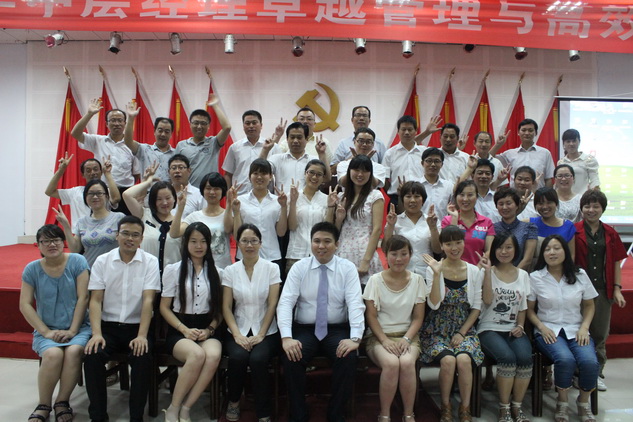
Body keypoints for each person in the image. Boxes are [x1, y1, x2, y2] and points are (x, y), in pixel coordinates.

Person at [277, 222, 365, 422]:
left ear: (337, 244)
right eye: (316, 241)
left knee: (348, 357)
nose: (321, 246)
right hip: (305, 329)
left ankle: (336, 414)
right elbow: (285, 303)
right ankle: (298, 415)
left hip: (336, 329)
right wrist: (287, 337)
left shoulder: (347, 268)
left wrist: (355, 338)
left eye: (327, 241)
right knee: (291, 357)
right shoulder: (299, 267)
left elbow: (355, 304)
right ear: (311, 243)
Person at [84, 215, 161, 422]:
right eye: (125, 233)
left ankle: (136, 417)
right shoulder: (102, 261)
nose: (130, 238)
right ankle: (98, 416)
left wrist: (142, 336)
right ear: (117, 235)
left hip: (137, 327)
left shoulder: (150, 262)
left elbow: (148, 300)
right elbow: (95, 300)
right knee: (92, 356)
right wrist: (96, 333)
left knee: (142, 358)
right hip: (108, 328)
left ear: (141, 239)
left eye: (135, 235)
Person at [20, 225, 91, 422]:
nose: (52, 244)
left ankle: (62, 402)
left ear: (63, 242)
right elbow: (24, 304)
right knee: (53, 354)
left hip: (79, 327)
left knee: (74, 351)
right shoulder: (32, 269)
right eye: (46, 241)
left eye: (56, 240)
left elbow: (84, 297)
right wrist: (46, 332)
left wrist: (73, 330)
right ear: (39, 245)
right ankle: (44, 404)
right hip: (47, 329)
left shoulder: (77, 261)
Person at [527, 235, 599, 422]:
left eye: (557, 248)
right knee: (565, 359)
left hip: (576, 329)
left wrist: (584, 327)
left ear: (565, 251)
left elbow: (589, 305)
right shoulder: (536, 277)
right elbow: (529, 310)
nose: (552, 252)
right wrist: (541, 327)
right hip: (548, 330)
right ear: (543, 254)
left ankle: (583, 402)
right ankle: (562, 401)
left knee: (589, 362)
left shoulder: (580, 275)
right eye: (547, 249)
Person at [159, 222, 224, 422]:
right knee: (196, 355)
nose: (199, 246)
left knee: (212, 355)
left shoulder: (218, 272)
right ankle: (173, 407)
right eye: (194, 241)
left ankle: (186, 407)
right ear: (185, 243)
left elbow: (220, 311)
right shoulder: (173, 270)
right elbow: (164, 308)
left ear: (209, 244)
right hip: (180, 329)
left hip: (207, 328)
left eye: (203, 241)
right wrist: (184, 330)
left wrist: (210, 330)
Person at [420, 225, 485, 422]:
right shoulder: (433, 269)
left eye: (458, 242)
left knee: (464, 360)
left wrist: (462, 332)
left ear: (464, 243)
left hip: (464, 328)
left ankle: (465, 408)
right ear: (441, 246)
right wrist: (437, 273)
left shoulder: (474, 271)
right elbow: (433, 304)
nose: (454, 247)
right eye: (448, 244)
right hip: (437, 328)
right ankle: (446, 406)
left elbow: (476, 307)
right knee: (448, 361)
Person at [363, 235, 427, 422]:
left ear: (410, 255)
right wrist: (384, 340)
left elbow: (418, 317)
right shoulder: (375, 280)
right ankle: (385, 415)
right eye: (394, 254)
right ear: (385, 255)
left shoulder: (417, 280)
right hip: (379, 336)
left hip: (408, 336)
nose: (399, 259)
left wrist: (407, 339)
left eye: (403, 254)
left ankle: (408, 414)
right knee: (391, 364)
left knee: (406, 363)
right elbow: (371, 316)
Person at [222, 224, 281, 422]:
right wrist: (237, 335)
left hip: (267, 331)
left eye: (254, 241)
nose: (249, 245)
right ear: (238, 244)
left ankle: (263, 411)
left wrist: (261, 334)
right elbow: (226, 307)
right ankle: (234, 401)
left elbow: (272, 304)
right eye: (245, 241)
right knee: (238, 357)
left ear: (260, 243)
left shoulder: (272, 268)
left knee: (258, 359)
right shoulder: (230, 270)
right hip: (237, 328)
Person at [574, 190, 627, 391]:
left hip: (603, 290)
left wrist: (617, 288)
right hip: (578, 291)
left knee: (599, 333)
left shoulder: (611, 233)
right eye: (587, 206)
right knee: (578, 331)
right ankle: (577, 372)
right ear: (582, 208)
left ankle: (596, 373)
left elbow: (616, 262)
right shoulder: (574, 230)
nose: (591, 210)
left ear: (602, 209)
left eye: (596, 206)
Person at [477, 232, 532, 422]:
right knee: (507, 358)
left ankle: (517, 406)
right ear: (493, 250)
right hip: (488, 328)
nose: (504, 251)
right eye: (500, 247)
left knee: (525, 358)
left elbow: (523, 306)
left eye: (509, 247)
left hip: (513, 328)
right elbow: (487, 300)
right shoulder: (487, 271)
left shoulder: (523, 275)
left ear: (516, 250)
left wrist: (521, 326)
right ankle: (504, 408)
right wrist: (486, 272)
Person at [71, 99, 139, 215]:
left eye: (120, 120)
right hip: (103, 192)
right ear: (107, 124)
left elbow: (136, 174)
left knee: (126, 224)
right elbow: (75, 133)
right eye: (112, 120)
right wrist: (89, 114)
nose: (116, 123)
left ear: (125, 123)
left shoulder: (133, 145)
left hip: (126, 194)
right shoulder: (98, 141)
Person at [333, 155, 385, 285]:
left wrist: (366, 261)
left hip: (365, 252)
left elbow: (377, 229)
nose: (360, 174)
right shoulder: (341, 197)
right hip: (343, 252)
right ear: (349, 171)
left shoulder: (375, 196)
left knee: (366, 292)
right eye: (356, 170)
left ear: (371, 173)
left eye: (365, 170)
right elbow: (335, 230)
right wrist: (338, 219)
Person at [122, 166, 181, 273]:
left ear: (174, 199)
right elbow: (127, 195)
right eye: (159, 199)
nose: (164, 203)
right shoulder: (144, 215)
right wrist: (148, 182)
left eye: (168, 198)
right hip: (147, 275)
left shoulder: (181, 223)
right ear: (153, 201)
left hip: (173, 277)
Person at [54, 179, 125, 267]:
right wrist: (66, 226)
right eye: (91, 193)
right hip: (89, 270)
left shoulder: (119, 218)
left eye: (99, 193)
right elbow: (75, 249)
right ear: (85, 198)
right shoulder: (82, 222)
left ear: (107, 196)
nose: (95, 197)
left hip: (113, 269)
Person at [171, 172, 233, 269]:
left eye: (216, 188)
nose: (212, 192)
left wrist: (229, 204)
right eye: (208, 188)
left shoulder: (228, 214)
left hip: (223, 268)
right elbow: (174, 233)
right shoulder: (195, 216)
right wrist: (180, 208)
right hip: (200, 270)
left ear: (223, 191)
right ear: (202, 191)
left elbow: (229, 230)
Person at [232, 158, 288, 266]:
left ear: (270, 177)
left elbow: (281, 232)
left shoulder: (278, 201)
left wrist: (284, 207)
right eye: (255, 173)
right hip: (245, 256)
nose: (259, 177)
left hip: (271, 256)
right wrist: (236, 211)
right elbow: (237, 235)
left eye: (263, 173)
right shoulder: (240, 201)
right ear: (249, 177)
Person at [383, 181, 441, 275]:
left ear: (423, 200)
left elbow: (437, 250)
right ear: (402, 199)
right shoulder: (394, 220)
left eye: (417, 196)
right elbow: (385, 249)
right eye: (408, 196)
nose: (412, 200)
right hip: (401, 273)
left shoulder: (432, 221)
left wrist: (433, 228)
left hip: (427, 272)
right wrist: (390, 225)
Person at [174, 97, 232, 188]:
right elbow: (175, 169)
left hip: (210, 191)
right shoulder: (181, 145)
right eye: (196, 123)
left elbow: (227, 127)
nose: (199, 126)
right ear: (190, 124)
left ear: (208, 126)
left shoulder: (213, 143)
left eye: (203, 123)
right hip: (188, 191)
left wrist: (215, 106)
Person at [45, 154, 120, 223]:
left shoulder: (106, 191)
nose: (93, 173)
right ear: (83, 175)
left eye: (95, 169)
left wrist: (107, 173)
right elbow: (49, 192)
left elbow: (116, 199)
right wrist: (61, 170)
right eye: (88, 170)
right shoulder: (74, 192)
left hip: (101, 231)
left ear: (101, 172)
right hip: (79, 232)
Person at [222, 110, 284, 195]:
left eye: (254, 123)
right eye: (247, 123)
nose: (251, 126)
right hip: (240, 195)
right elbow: (228, 174)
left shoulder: (273, 147)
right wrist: (227, 194)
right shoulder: (234, 147)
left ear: (261, 125)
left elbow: (279, 173)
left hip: (266, 196)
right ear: (243, 126)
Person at [260, 121, 331, 193]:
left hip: (307, 200)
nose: (295, 141)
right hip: (282, 199)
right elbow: (259, 171)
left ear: (306, 139)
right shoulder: (276, 159)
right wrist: (265, 150)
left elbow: (327, 178)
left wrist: (322, 154)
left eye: (299, 137)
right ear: (287, 139)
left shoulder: (314, 160)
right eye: (292, 137)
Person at [287, 159, 330, 273]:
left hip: (320, 254)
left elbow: (327, 228)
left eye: (319, 174)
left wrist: (331, 206)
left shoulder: (327, 199)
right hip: (296, 253)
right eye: (311, 172)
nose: (314, 177)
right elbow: (292, 226)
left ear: (323, 178)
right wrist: (293, 202)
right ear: (305, 173)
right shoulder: (292, 195)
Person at [442, 180, 495, 266]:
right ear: (456, 197)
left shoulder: (486, 222)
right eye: (461, 195)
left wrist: (476, 269)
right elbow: (448, 246)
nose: (465, 199)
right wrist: (454, 219)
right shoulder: (447, 220)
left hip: (479, 269)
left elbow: (489, 250)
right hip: (453, 269)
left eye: (470, 195)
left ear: (477, 197)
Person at [491, 119, 555, 189]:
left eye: (530, 130)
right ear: (518, 132)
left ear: (536, 133)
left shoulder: (545, 153)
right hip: (515, 194)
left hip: (538, 194)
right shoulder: (509, 154)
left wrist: (547, 195)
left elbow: (548, 179)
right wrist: (498, 144)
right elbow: (489, 158)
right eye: (523, 130)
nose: (527, 133)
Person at [124, 100, 175, 181]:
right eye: (160, 130)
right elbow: (128, 141)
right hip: (148, 189)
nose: (163, 134)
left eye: (167, 131)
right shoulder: (144, 149)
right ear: (154, 131)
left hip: (168, 189)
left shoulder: (176, 153)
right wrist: (130, 118)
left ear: (171, 134)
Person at [382, 115, 426, 209]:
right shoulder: (389, 153)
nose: (406, 132)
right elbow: (384, 179)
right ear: (398, 131)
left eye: (410, 129)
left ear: (416, 131)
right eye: (403, 129)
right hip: (397, 199)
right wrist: (393, 193)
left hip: (421, 199)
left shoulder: (424, 152)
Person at [493, 187, 538, 271]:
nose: (504, 207)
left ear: (517, 205)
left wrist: (513, 275)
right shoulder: (492, 228)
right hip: (495, 273)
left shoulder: (529, 228)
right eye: (501, 204)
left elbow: (527, 259)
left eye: (508, 203)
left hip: (520, 274)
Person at [331, 106, 387, 172]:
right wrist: (353, 159)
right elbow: (332, 169)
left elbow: (385, 169)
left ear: (369, 120)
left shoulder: (379, 143)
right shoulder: (343, 143)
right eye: (358, 115)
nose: (361, 118)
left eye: (364, 115)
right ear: (352, 120)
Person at [530, 187, 576, 258]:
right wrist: (520, 209)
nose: (545, 207)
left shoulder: (568, 226)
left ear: (556, 203)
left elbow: (571, 256)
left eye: (549, 203)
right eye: (540, 203)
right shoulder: (530, 224)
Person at [558, 129, 600, 195]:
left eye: (574, 141)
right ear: (563, 143)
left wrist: (594, 194)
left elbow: (594, 180)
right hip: (566, 198)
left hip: (584, 198)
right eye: (568, 141)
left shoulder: (589, 160)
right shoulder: (561, 162)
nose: (571, 144)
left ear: (579, 141)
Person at [419, 147, 455, 221]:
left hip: (443, 226)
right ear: (422, 163)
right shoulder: (416, 185)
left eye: (437, 161)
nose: (433, 164)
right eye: (429, 161)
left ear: (442, 164)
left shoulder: (449, 186)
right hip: (420, 226)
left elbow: (452, 210)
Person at [167, 154, 205, 220]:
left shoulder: (199, 194)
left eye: (181, 167)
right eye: (174, 168)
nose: (177, 171)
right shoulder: (164, 193)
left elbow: (205, 218)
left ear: (189, 171)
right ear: (168, 172)